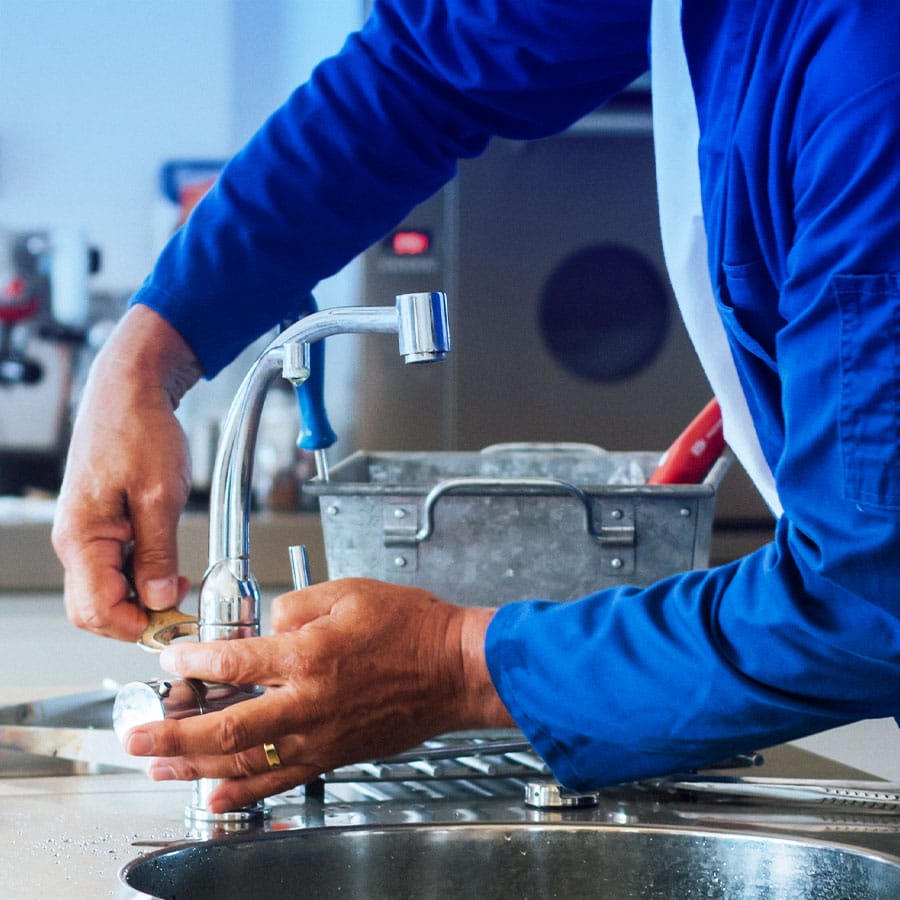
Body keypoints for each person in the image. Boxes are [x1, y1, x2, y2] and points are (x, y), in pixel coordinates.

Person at [52, 0, 900, 815]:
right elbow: (425, 65)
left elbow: (868, 597)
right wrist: (147, 353)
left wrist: (455, 664)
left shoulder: (869, 72)